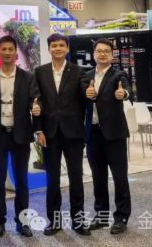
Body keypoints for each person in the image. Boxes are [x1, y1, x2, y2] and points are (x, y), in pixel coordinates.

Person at [34, 34, 91, 236]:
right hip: (49, 134)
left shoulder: (78, 71)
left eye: (61, 45)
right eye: (54, 45)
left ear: (67, 49)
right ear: (49, 48)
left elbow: (84, 92)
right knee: (52, 179)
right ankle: (54, 221)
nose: (57, 48)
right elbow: (37, 102)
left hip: (73, 132)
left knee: (76, 178)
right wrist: (38, 130)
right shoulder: (40, 72)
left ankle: (78, 221)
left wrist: (89, 92)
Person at [0, 36, 40, 238]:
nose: (7, 52)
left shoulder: (27, 77)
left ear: (15, 52)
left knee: (22, 181)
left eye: (10, 49)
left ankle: (22, 222)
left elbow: (35, 101)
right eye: (4, 49)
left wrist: (36, 109)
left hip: (20, 135)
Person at [85, 38, 131, 235]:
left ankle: (121, 218)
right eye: (99, 51)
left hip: (114, 134)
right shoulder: (86, 76)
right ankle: (101, 216)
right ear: (94, 54)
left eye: (106, 51)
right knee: (98, 177)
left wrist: (124, 94)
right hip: (93, 133)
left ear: (112, 55)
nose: (102, 54)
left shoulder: (118, 75)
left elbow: (127, 90)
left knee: (119, 178)